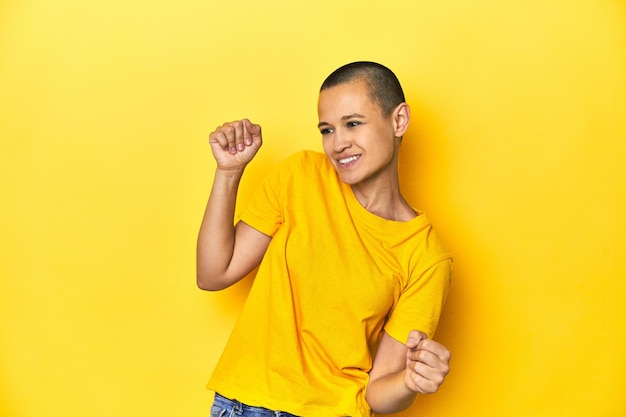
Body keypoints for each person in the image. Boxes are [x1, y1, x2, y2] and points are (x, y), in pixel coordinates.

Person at [197, 61, 452, 417]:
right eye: (327, 129)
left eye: (353, 123)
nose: (338, 143)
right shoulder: (300, 176)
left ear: (398, 121)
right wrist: (228, 171)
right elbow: (213, 273)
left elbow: (378, 393)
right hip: (244, 405)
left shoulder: (425, 257)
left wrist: (411, 381)